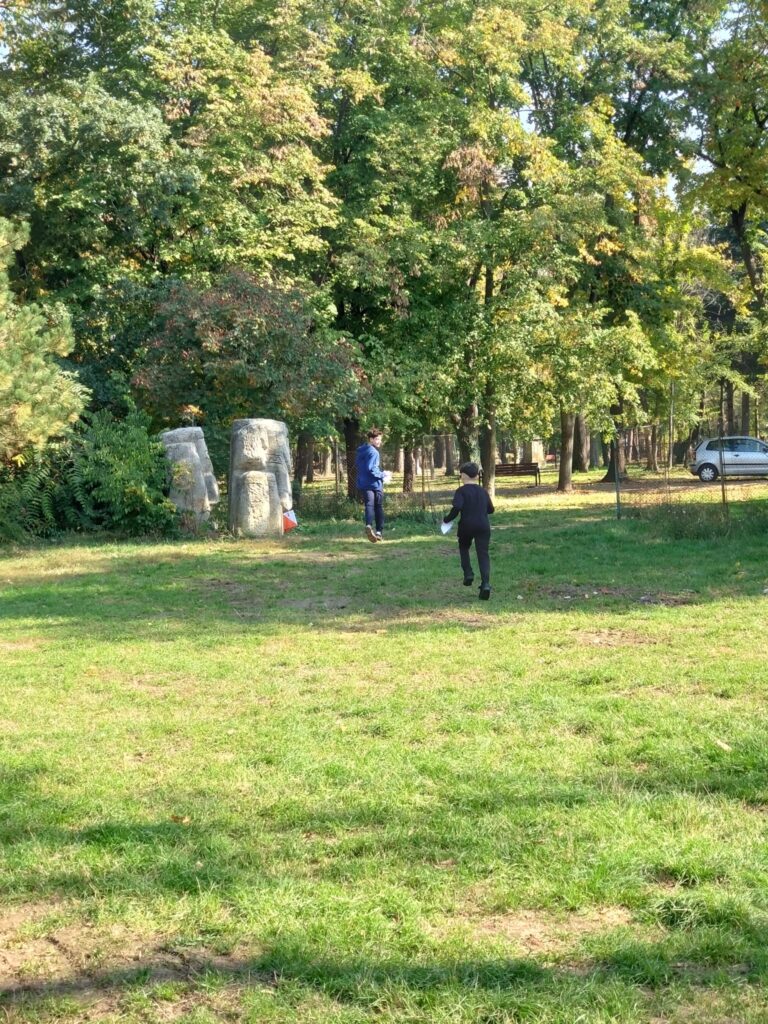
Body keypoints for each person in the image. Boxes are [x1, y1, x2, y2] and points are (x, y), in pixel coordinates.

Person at [443, 461, 494, 599]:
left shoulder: (461, 491)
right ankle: (486, 584)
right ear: (477, 476)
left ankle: (468, 573)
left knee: (464, 547)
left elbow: (457, 508)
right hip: (483, 526)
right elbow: (491, 509)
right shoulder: (483, 491)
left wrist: (447, 519)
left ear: (463, 476)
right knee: (483, 554)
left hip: (467, 526)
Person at [355, 428, 386, 542]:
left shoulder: (361, 450)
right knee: (378, 507)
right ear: (371, 439)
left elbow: (359, 465)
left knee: (369, 505)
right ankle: (379, 532)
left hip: (364, 483)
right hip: (375, 483)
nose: (379, 442)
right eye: (377, 439)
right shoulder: (374, 452)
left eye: (380, 439)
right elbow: (371, 468)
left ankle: (368, 524)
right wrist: (383, 475)